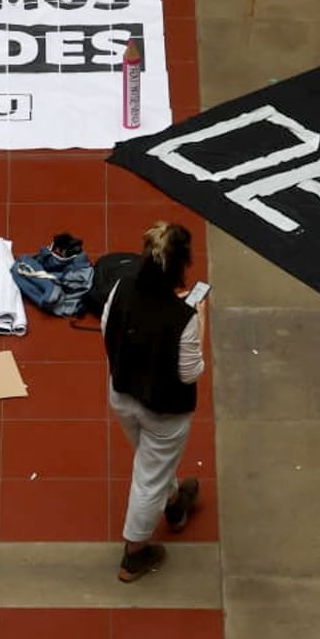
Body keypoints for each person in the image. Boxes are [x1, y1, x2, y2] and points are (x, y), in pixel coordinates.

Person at [102, 220, 205, 582]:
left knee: (152, 463)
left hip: (122, 395)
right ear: (181, 265)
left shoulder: (122, 287)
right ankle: (135, 552)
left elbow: (105, 327)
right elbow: (190, 372)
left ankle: (175, 505)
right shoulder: (185, 317)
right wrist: (200, 321)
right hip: (164, 411)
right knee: (148, 475)